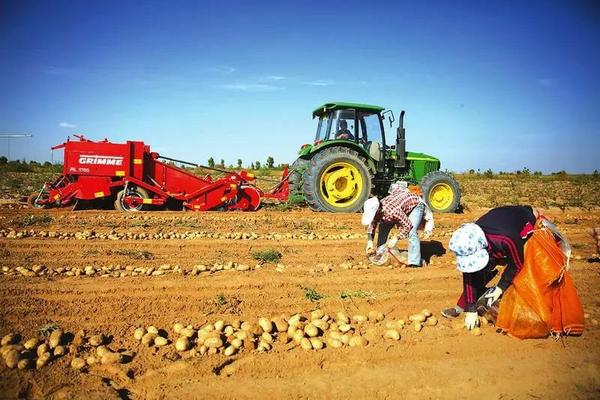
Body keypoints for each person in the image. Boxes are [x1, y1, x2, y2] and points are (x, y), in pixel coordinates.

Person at [442, 205, 539, 330]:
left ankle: (525, 309)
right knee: (479, 272)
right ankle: (462, 306)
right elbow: (469, 274)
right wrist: (470, 308)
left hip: (525, 222)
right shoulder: (470, 238)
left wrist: (500, 288)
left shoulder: (506, 238)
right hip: (499, 222)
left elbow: (517, 264)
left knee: (524, 270)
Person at [361, 184, 433, 268]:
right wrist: (370, 242)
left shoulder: (392, 211)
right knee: (383, 226)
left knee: (412, 232)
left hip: (415, 205)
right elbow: (372, 225)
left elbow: (408, 225)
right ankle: (381, 253)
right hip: (399, 206)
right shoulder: (377, 209)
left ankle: (415, 262)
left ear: (379, 210)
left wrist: (396, 238)